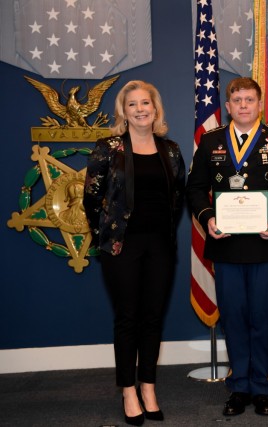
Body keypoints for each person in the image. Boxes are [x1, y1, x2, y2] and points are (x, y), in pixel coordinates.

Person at [186, 77, 268, 417]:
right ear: (227, 106)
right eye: (236, 100)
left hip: (265, 245)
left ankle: (262, 387)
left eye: (249, 99)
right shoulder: (210, 141)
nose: (243, 105)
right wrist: (208, 217)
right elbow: (194, 189)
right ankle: (239, 386)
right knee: (235, 319)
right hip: (225, 247)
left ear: (259, 103)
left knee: (262, 318)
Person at [84, 80, 185, 425]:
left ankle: (148, 386)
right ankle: (128, 389)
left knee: (153, 317)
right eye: (133, 105)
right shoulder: (107, 148)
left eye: (146, 103)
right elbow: (91, 200)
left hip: (160, 246)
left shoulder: (170, 150)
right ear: (123, 112)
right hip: (121, 246)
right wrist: (109, 237)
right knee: (128, 318)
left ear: (155, 108)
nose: (141, 109)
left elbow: (178, 199)